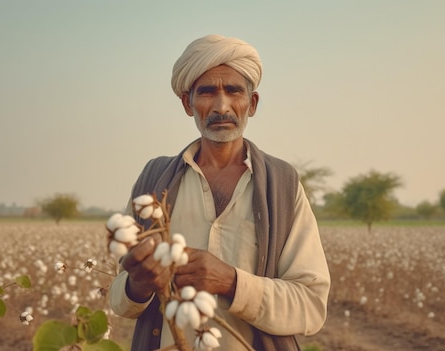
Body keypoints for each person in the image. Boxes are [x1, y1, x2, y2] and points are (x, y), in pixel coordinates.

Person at [109, 34, 330, 351]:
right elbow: (120, 300)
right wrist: (138, 285)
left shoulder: (282, 184)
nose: (221, 106)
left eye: (234, 91)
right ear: (188, 103)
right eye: (207, 92)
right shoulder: (154, 180)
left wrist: (230, 281)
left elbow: (310, 305)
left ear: (251, 104)